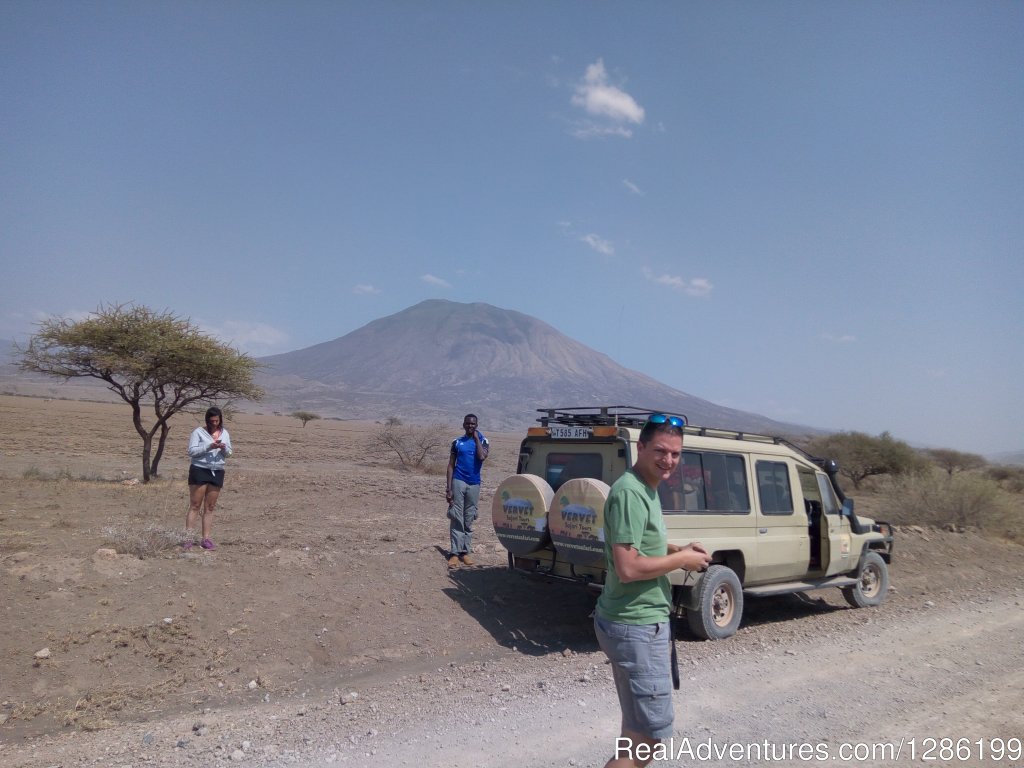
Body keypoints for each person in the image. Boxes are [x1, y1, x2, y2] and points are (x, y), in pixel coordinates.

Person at [594, 413, 712, 767]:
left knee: (635, 732)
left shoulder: (646, 488)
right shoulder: (631, 493)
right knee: (650, 737)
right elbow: (628, 567)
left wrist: (679, 551)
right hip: (636, 626)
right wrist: (681, 562)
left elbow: (638, 547)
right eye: (661, 451)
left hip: (634, 623)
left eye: (676, 454)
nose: (669, 460)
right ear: (640, 447)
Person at [185, 406, 233, 551]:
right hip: (200, 469)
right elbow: (192, 451)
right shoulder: (198, 432)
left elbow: (229, 453)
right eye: (212, 421)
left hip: (217, 470)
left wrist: (223, 448)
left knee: (210, 507)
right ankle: (187, 538)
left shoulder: (225, 433)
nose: (214, 424)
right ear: (207, 420)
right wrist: (209, 446)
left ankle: (206, 539)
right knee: (195, 505)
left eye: (217, 421)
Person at [445, 413, 489, 569]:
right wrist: (448, 488)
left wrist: (477, 439)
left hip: (474, 483)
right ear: (463, 424)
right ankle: (455, 554)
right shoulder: (457, 442)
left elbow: (482, 457)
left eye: (473, 424)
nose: (470, 426)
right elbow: (451, 465)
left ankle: (465, 552)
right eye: (468, 423)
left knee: (469, 517)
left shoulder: (483, 440)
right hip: (458, 480)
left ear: (476, 425)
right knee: (457, 516)